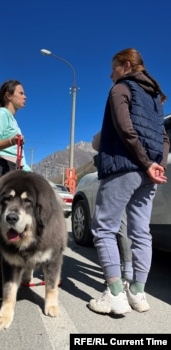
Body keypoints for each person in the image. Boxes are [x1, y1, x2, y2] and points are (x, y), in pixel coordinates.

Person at [88, 48, 169, 315]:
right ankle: (137, 293)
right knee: (140, 232)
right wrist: (156, 164)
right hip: (149, 173)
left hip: (124, 167)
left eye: (113, 68)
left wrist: (146, 163)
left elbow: (125, 128)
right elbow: (164, 138)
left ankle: (114, 294)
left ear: (125, 65)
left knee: (104, 227)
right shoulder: (155, 97)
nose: (110, 74)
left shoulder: (121, 89)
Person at [0, 79, 31, 300]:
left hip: (12, 171)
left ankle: (1, 278)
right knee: (5, 228)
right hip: (1, 170)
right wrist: (11, 140)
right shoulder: (0, 114)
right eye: (21, 92)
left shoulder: (12, 119)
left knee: (12, 229)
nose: (25, 96)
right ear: (9, 96)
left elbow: (20, 159)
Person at [92, 133, 133, 283]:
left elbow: (96, 143)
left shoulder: (119, 112)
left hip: (118, 171)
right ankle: (130, 273)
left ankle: (116, 284)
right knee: (134, 228)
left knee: (107, 227)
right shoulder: (152, 112)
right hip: (141, 173)